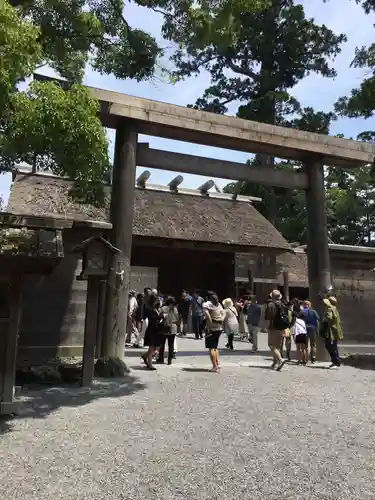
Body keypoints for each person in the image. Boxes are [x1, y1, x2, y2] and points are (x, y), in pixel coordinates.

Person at [265, 289, 288, 371]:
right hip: (281, 327)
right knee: (277, 346)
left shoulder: (270, 304)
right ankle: (275, 362)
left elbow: (268, 317)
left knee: (271, 345)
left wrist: (265, 326)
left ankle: (280, 360)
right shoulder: (283, 304)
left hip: (273, 327)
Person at [141, 294, 165, 370]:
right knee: (151, 347)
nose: (157, 301)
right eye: (156, 300)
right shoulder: (149, 308)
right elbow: (152, 318)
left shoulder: (156, 308)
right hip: (151, 329)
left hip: (156, 329)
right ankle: (150, 364)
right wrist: (161, 316)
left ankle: (145, 356)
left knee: (154, 347)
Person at [203, 294, 226, 373]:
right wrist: (221, 321)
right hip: (219, 328)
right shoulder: (219, 305)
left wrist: (209, 324)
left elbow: (207, 315)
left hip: (211, 329)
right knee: (215, 347)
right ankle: (218, 363)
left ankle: (214, 366)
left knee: (211, 348)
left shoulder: (207, 305)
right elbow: (223, 313)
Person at [321, 296, 343, 368]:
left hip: (331, 331)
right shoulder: (335, 309)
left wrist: (325, 323)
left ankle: (336, 362)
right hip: (335, 331)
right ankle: (335, 362)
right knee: (333, 346)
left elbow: (329, 319)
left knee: (330, 346)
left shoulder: (330, 309)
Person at [157, 296, 179, 365]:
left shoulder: (163, 308)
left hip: (165, 328)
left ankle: (161, 359)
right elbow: (177, 319)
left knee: (162, 344)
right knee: (171, 345)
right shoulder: (175, 309)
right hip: (173, 327)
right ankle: (169, 360)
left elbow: (159, 316)